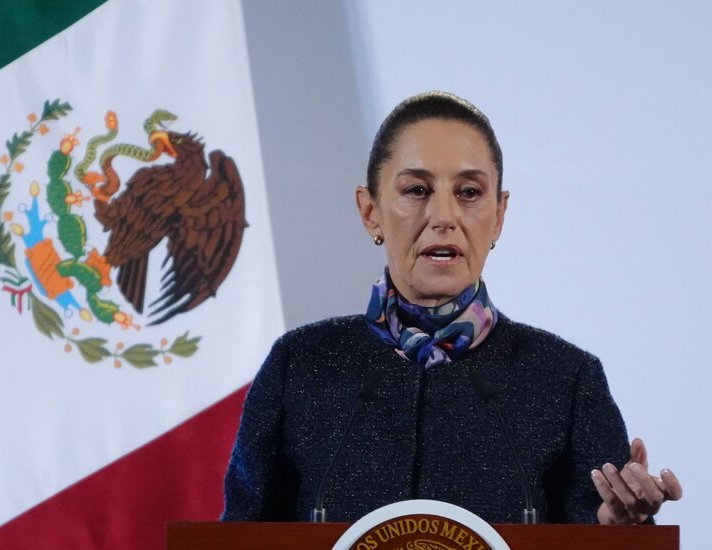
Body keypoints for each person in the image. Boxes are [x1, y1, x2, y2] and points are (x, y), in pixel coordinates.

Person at [222, 91, 682, 524]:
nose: (444, 217)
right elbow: (238, 539)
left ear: (498, 215)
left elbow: (604, 531)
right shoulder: (299, 366)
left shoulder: (567, 380)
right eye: (417, 190)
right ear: (370, 211)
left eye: (469, 193)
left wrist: (618, 531)